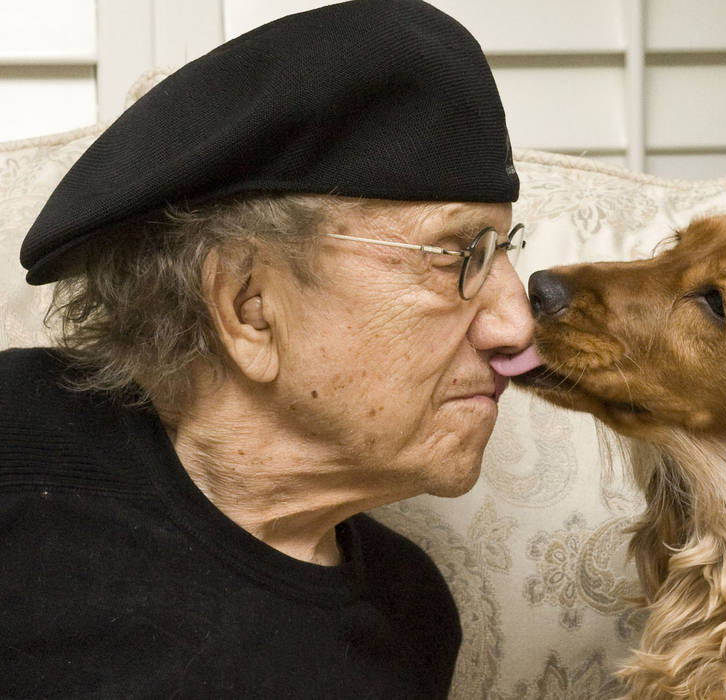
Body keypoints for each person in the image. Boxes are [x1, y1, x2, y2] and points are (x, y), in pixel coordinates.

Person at [0, 1, 544, 696]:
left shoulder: (411, 617)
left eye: (505, 250)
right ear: (248, 306)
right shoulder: (16, 445)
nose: (517, 326)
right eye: (454, 254)